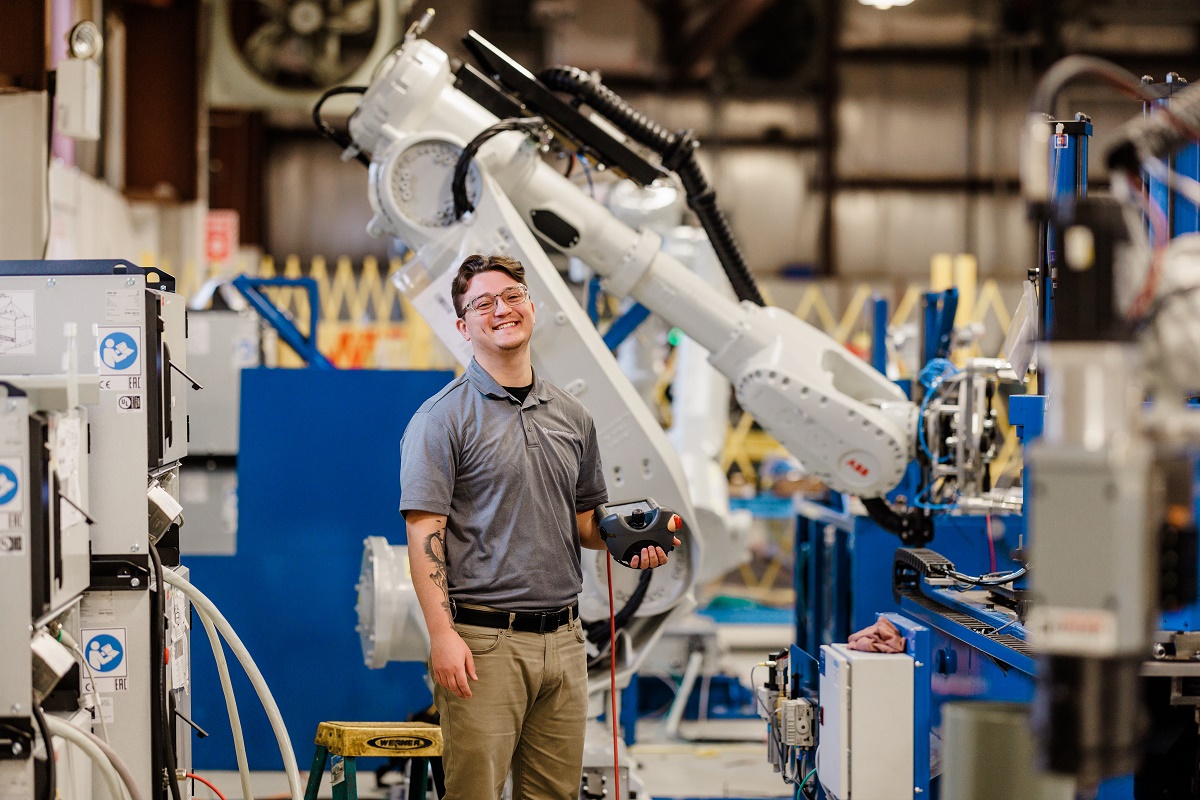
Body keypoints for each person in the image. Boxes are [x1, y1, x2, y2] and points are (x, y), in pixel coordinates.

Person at [399, 253, 677, 800]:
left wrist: (630, 542)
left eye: (511, 296)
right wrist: (442, 636)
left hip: (566, 642)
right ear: (463, 326)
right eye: (483, 303)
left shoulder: (572, 416)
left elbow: (582, 521)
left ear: (532, 305)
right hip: (484, 646)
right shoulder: (441, 419)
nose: (501, 310)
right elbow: (424, 532)